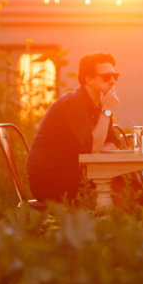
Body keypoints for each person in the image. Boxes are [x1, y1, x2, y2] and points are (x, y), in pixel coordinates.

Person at [27, 52, 120, 202]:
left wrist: (101, 143)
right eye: (106, 77)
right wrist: (107, 111)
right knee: (122, 190)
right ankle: (106, 224)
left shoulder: (99, 106)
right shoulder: (74, 104)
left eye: (115, 76)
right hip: (50, 180)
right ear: (88, 79)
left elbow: (113, 143)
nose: (112, 81)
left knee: (129, 184)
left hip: (74, 173)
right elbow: (92, 149)